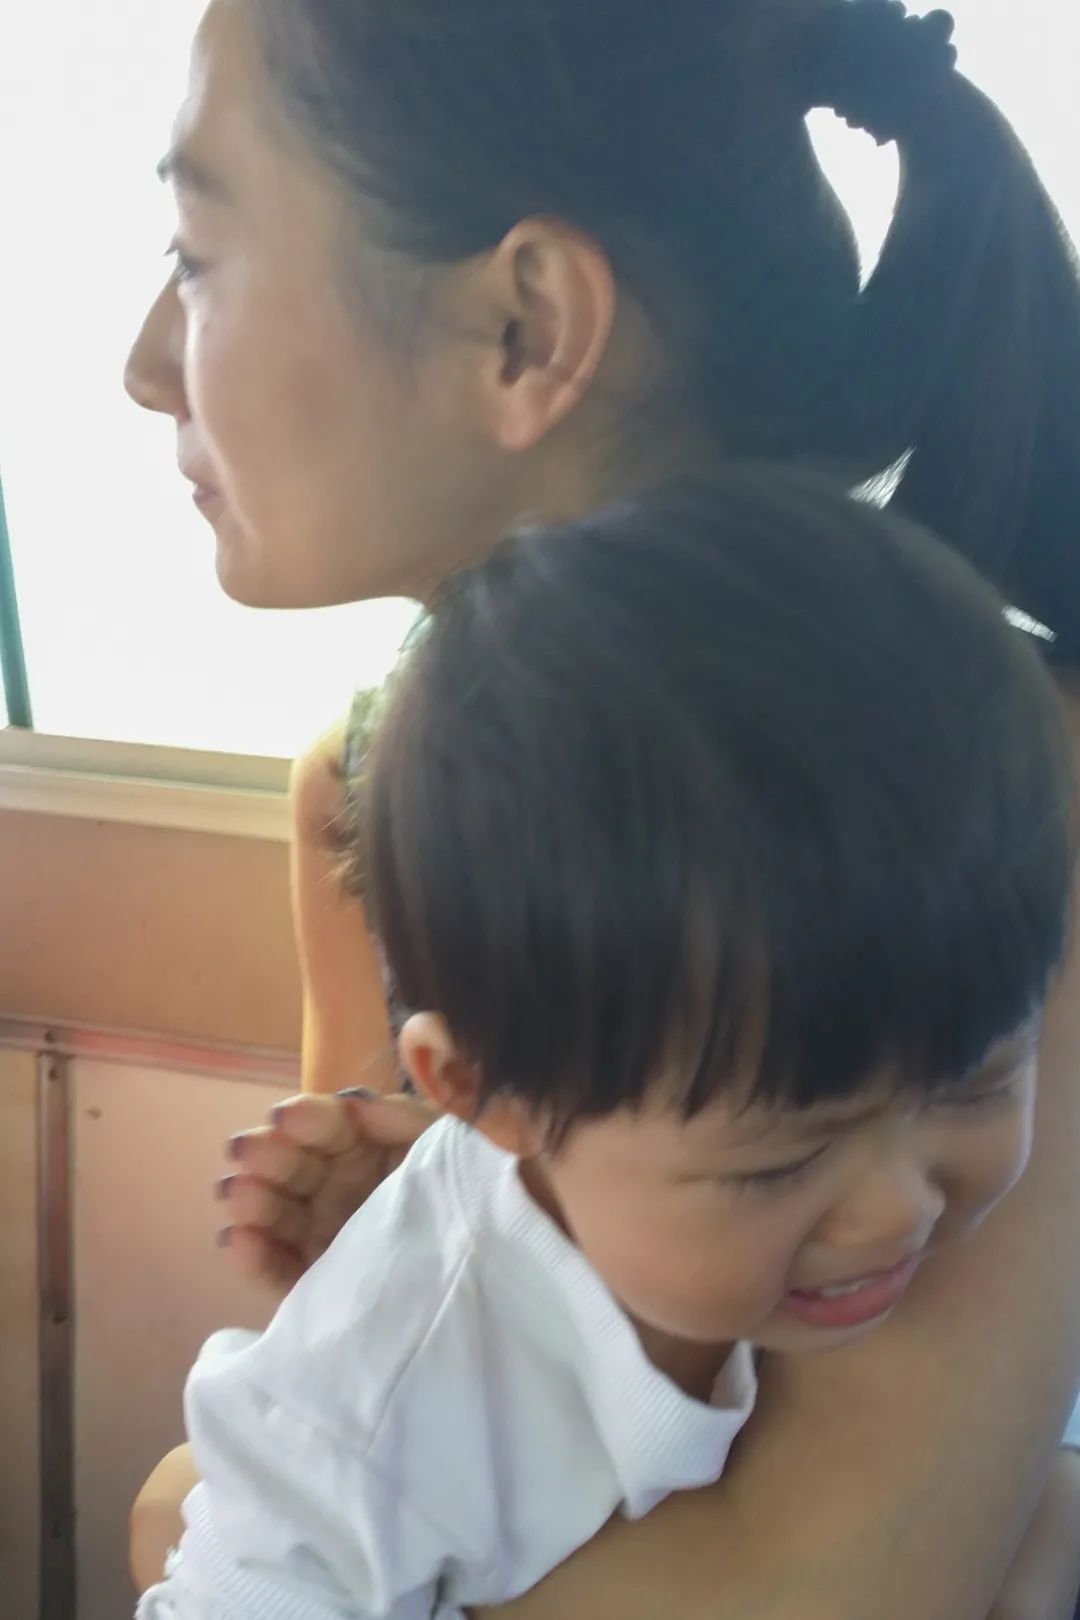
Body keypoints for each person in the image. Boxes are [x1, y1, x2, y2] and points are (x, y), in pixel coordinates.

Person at [122, 0, 1080, 1615]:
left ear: (526, 327)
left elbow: (843, 1587)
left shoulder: (987, 782)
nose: (147, 363)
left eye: (197, 254)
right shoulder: (363, 794)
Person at [139, 472, 1076, 1620]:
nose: (899, 1210)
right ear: (485, 1092)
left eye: (981, 1080)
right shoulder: (373, 1428)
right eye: (778, 1164)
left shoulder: (695, 1142)